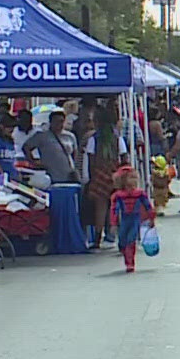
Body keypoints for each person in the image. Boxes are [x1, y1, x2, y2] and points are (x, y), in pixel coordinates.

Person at [82, 104, 126, 251]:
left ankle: (97, 239)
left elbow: (90, 159)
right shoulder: (117, 138)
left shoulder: (94, 138)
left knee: (100, 209)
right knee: (117, 208)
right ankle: (118, 237)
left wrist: (90, 178)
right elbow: (123, 157)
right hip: (115, 175)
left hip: (99, 174)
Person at [107, 165, 156, 273]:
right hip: (124, 219)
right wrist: (113, 223)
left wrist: (151, 218)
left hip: (135, 219)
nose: (134, 181)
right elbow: (114, 210)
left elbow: (148, 206)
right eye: (131, 178)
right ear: (123, 180)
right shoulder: (118, 196)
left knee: (131, 239)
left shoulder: (140, 194)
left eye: (135, 178)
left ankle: (130, 262)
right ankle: (126, 254)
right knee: (123, 240)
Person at [24, 109, 80, 187]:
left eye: (61, 121)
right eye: (56, 121)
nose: (58, 124)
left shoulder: (70, 136)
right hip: (51, 176)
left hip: (69, 176)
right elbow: (26, 147)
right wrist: (33, 162)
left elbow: (75, 154)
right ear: (51, 122)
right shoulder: (42, 136)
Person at [0, 114, 19, 182]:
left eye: (13, 127)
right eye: (9, 127)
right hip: (1, 178)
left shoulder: (10, 141)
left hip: (13, 177)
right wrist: (1, 178)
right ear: (1, 126)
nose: (12, 129)